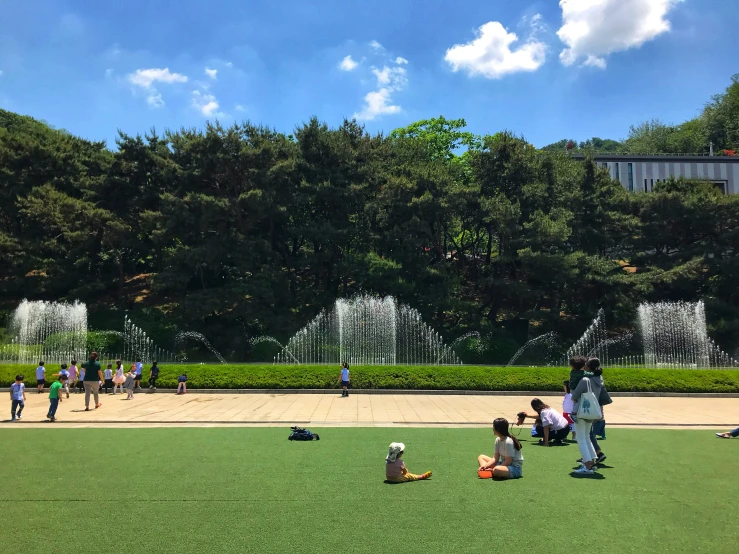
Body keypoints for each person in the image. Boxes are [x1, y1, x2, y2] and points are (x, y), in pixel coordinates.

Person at [571, 357, 604, 475]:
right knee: (586, 436)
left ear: (588, 367)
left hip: (582, 411)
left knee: (581, 438)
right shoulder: (599, 378)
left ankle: (588, 465)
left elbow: (574, 396)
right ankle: (592, 461)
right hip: (592, 412)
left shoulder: (585, 380)